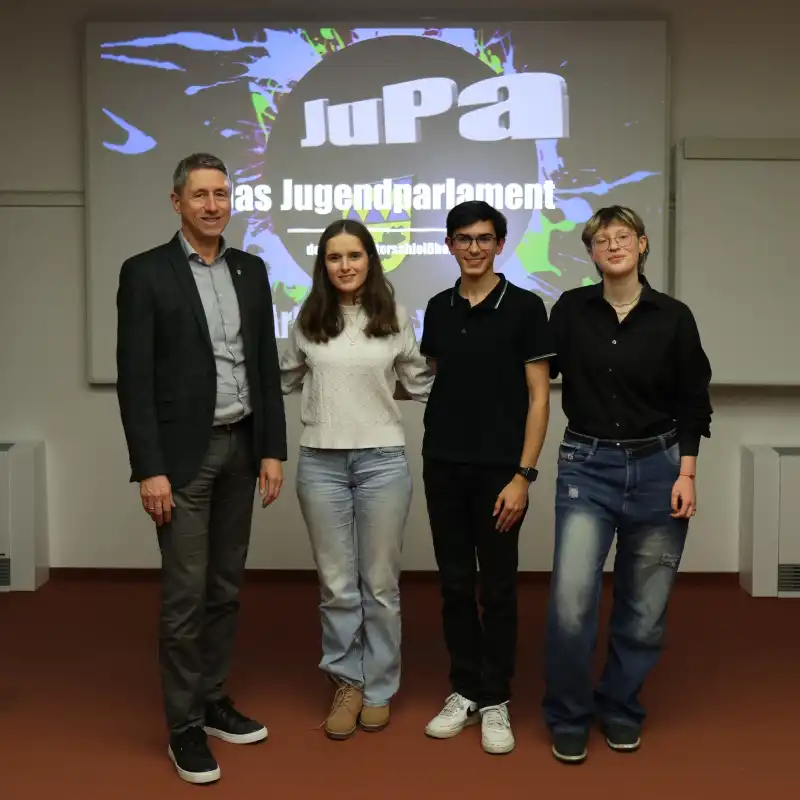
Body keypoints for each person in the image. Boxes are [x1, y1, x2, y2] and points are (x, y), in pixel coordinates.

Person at [115, 153, 287, 785]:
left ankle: (213, 700)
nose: (213, 205)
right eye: (201, 195)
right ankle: (183, 726)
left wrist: (272, 448)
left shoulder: (251, 268)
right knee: (185, 596)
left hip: (244, 447)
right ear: (177, 202)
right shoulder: (145, 273)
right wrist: (148, 470)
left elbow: (263, 365)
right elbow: (134, 382)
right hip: (182, 460)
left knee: (225, 588)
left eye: (222, 193)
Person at [542, 205, 713, 764]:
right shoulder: (569, 310)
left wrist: (687, 472)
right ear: (591, 253)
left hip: (660, 467)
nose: (613, 245)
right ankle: (567, 714)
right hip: (586, 465)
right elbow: (533, 379)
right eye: (601, 240)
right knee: (571, 601)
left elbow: (694, 401)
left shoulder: (673, 317)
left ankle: (619, 708)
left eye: (623, 237)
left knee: (644, 606)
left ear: (642, 246)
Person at [280, 219, 433, 740]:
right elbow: (280, 376)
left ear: (371, 259)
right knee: (338, 585)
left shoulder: (395, 318)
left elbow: (420, 382)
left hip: (382, 462)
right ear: (323, 265)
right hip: (320, 464)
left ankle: (380, 688)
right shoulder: (307, 321)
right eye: (333, 257)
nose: (345, 265)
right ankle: (346, 681)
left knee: (381, 586)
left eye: (354, 255)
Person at [419, 201, 553, 754]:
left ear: (500, 244)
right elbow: (434, 380)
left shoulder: (525, 307)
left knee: (497, 588)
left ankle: (496, 699)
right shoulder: (437, 306)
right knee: (453, 585)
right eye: (463, 238)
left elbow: (540, 397)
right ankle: (465, 690)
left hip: (502, 473)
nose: (473, 247)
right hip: (443, 465)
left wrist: (524, 474)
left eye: (484, 238)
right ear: (450, 245)